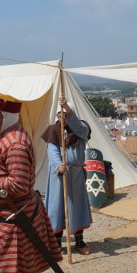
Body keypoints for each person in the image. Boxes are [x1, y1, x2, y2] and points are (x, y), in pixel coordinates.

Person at [0, 95, 62, 273]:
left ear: (4, 116)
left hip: (14, 220)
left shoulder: (15, 144)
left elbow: (19, 185)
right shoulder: (7, 137)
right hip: (13, 218)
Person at [42, 97, 93, 255]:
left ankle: (79, 241)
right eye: (60, 114)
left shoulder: (82, 128)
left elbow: (77, 126)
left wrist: (67, 109)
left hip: (76, 174)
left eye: (66, 114)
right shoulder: (53, 130)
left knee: (77, 207)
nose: (62, 117)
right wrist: (58, 165)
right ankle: (56, 243)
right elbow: (52, 150)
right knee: (57, 208)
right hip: (59, 175)